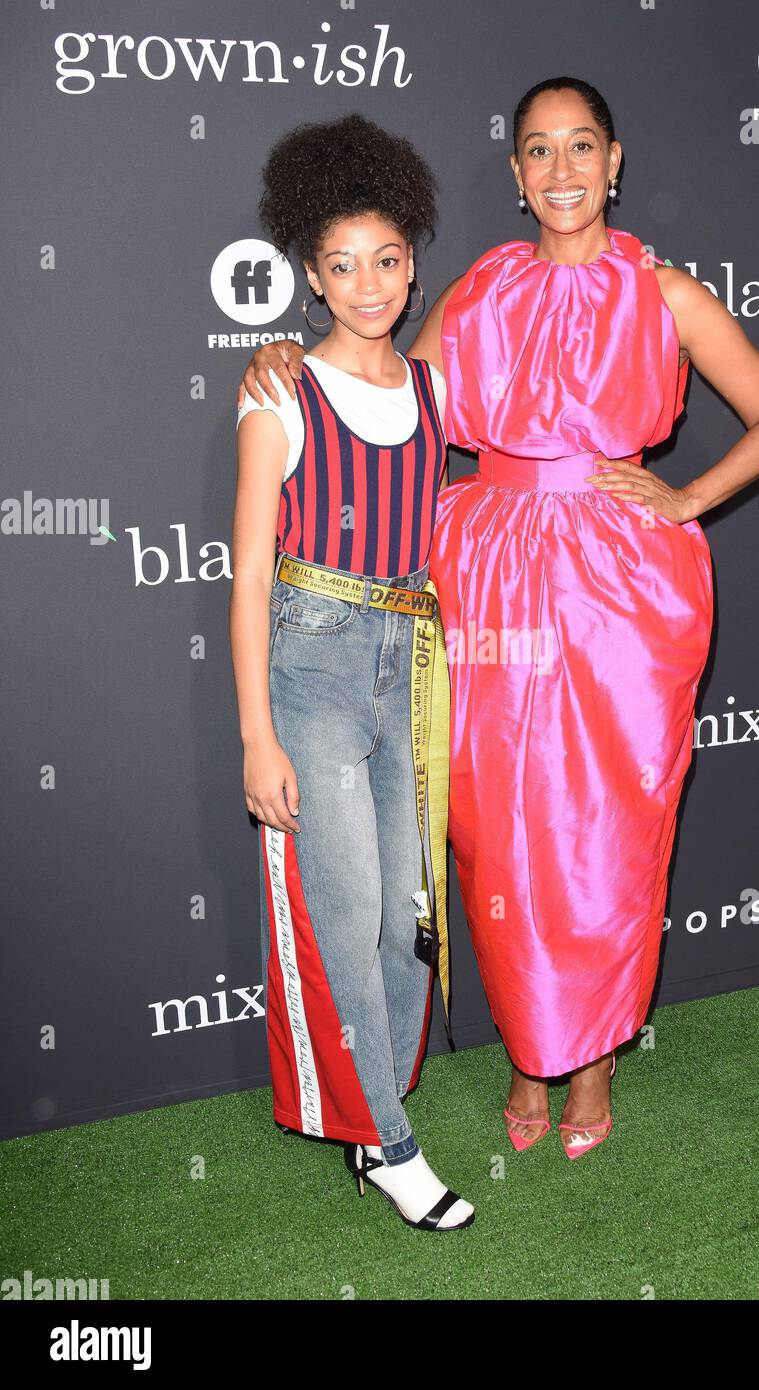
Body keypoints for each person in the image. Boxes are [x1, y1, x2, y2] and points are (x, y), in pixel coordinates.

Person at [240, 78, 759, 1160]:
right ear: (514, 174)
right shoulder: (485, 286)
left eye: (580, 147)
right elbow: (389, 385)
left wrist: (687, 498)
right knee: (502, 836)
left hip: (619, 591)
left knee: (603, 832)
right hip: (487, 573)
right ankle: (526, 1049)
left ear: (615, 160)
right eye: (538, 152)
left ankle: (587, 1063)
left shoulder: (664, 292)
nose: (561, 172)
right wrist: (285, 360)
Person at [229, 114, 473, 1229]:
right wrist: (256, 737)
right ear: (309, 276)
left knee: (406, 918)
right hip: (313, 669)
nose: (367, 284)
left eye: (385, 259)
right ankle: (387, 1141)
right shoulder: (278, 391)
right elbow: (245, 577)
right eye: (340, 265)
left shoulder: (432, 388)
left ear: (414, 258)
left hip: (414, 666)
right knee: (344, 912)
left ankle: (379, 1098)